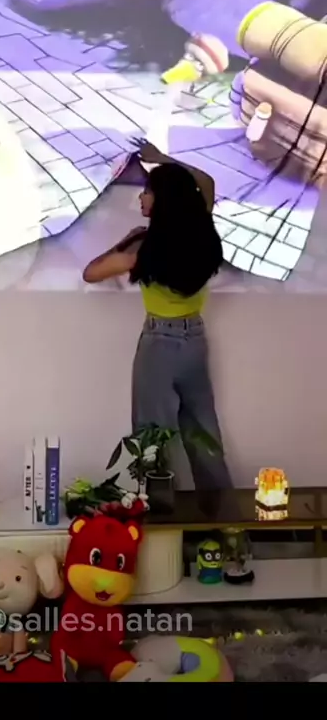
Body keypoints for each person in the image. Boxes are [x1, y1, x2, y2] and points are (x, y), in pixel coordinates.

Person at [82, 144, 232, 491]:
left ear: (163, 199)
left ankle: (160, 513)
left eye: (148, 191)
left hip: (159, 344)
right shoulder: (201, 232)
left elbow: (91, 272)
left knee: (150, 437)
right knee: (204, 434)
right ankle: (225, 517)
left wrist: (124, 243)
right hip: (195, 341)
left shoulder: (143, 250)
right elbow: (205, 182)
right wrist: (163, 159)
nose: (142, 197)